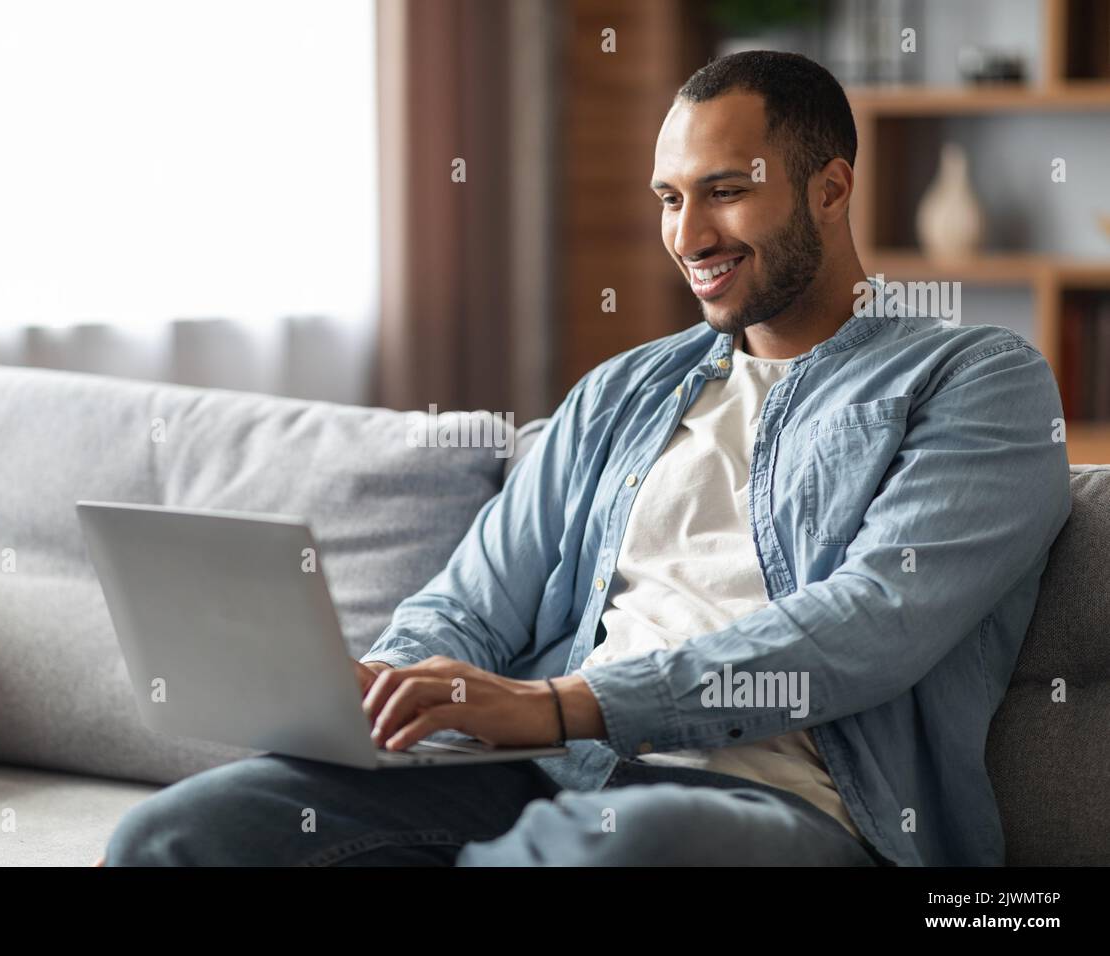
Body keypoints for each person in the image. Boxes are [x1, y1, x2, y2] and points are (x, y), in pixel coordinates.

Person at [102, 51, 1070, 867]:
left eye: (726, 193)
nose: (688, 238)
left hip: (786, 807)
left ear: (829, 187)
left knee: (615, 843)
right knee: (180, 830)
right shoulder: (622, 388)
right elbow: (473, 600)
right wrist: (388, 685)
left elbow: (874, 620)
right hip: (554, 772)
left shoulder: (973, 375)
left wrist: (567, 703)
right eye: (669, 198)